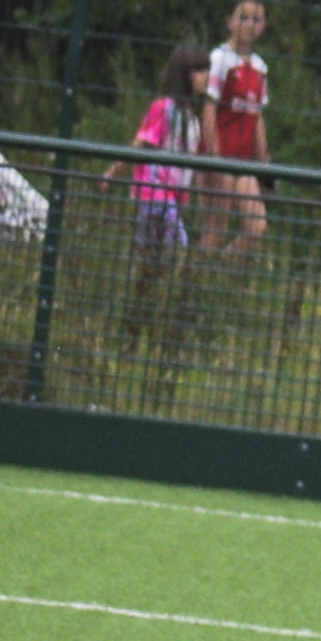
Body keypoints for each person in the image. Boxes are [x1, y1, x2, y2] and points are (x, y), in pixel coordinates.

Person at [99, 44, 213, 406]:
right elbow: (141, 142)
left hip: (171, 202)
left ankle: (143, 334)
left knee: (160, 268)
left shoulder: (193, 120)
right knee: (163, 263)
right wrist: (112, 172)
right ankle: (134, 334)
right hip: (152, 197)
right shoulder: (164, 109)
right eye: (198, 70)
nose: (205, 77)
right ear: (184, 74)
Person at [200, 0, 271, 255]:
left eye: (257, 19)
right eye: (244, 18)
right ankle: (193, 282)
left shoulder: (260, 68)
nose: (250, 25)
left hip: (243, 162)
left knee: (256, 227)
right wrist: (214, 157)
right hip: (220, 156)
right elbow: (209, 108)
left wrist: (264, 161)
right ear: (229, 21)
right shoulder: (220, 59)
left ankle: (218, 270)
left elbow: (257, 116)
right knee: (216, 228)